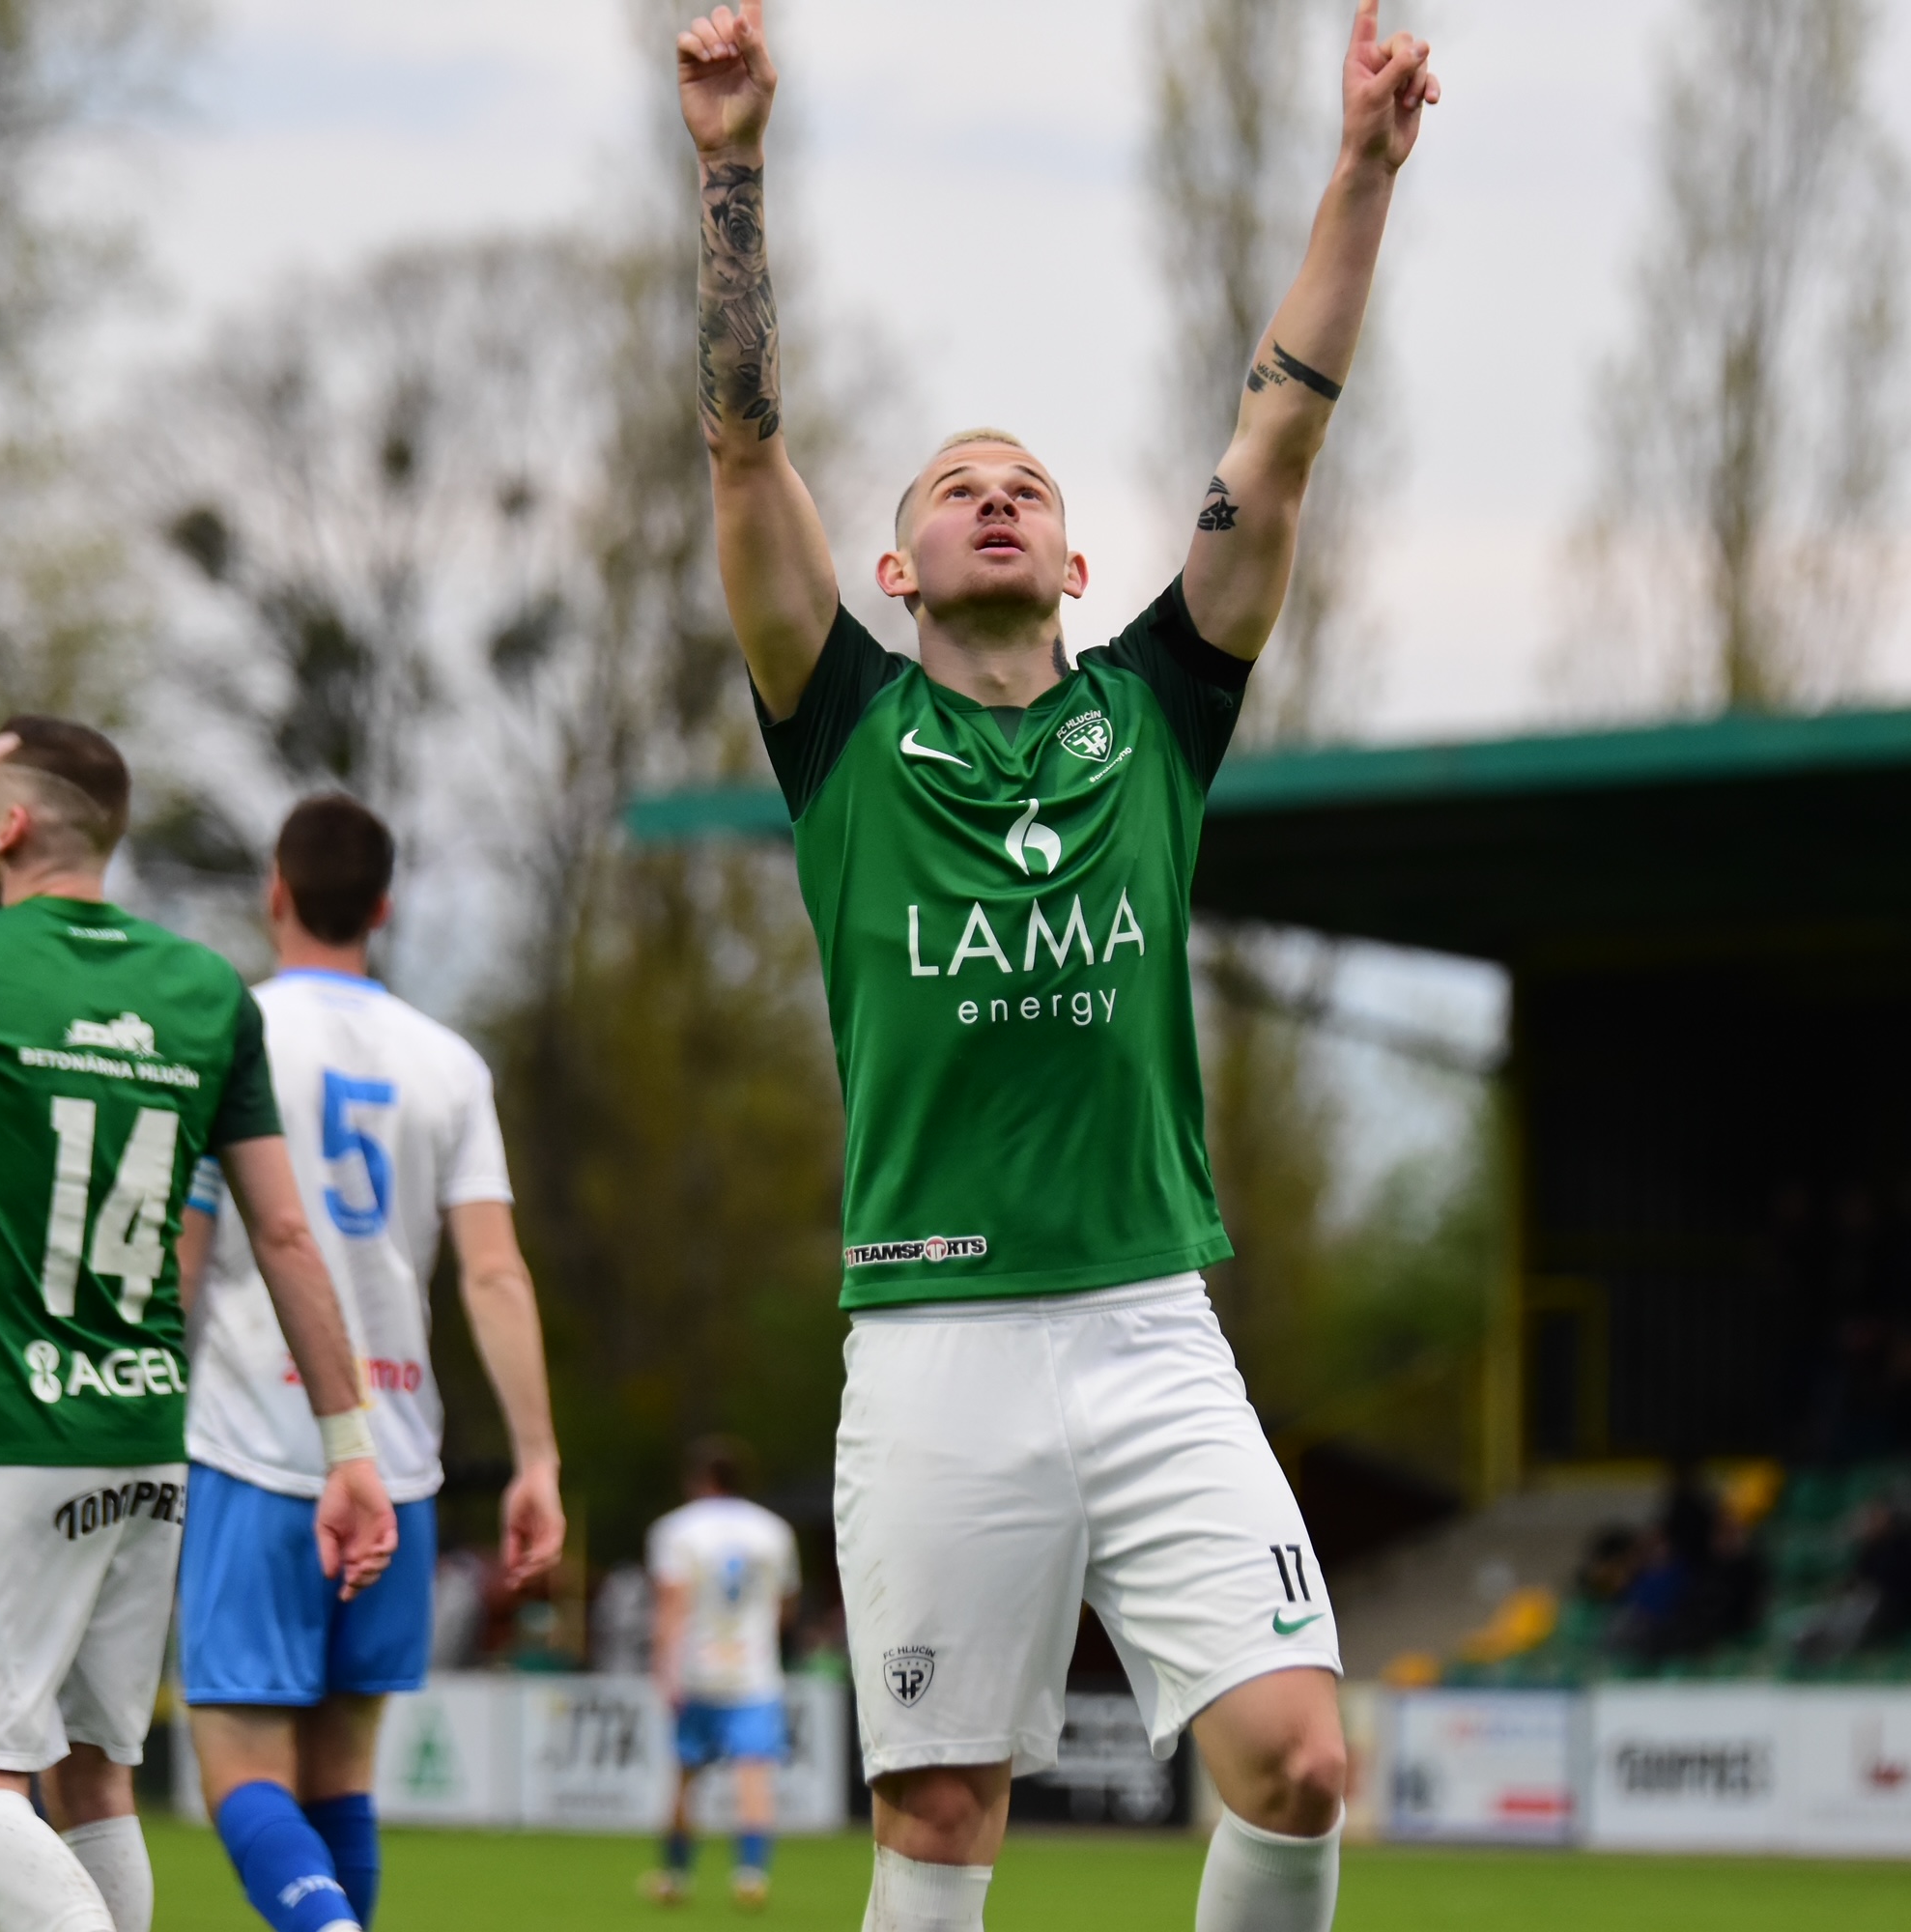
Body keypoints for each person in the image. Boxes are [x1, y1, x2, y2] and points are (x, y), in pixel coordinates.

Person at [672, 7, 1437, 1930]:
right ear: (900, 571)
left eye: (1027, 483)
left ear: (1085, 568)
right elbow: (742, 441)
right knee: (941, 1820)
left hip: (1151, 1331)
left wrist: (1359, 172)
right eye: (953, 488)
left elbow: (1281, 435)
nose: (994, 493)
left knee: (1301, 1759)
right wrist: (731, 167)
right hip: (936, 1342)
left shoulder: (1157, 714)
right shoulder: (837, 725)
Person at [0, 717, 398, 1932]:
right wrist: (349, 1448)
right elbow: (287, 1237)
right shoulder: (207, 989)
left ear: (8, 826)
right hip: (148, 1440)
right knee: (97, 1771)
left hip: (1, 1432)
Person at [174, 793, 567, 1932]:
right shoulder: (448, 1063)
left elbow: (188, 1258)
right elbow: (494, 1273)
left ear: (275, 891)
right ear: (385, 907)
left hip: (256, 1444)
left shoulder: (230, 1030)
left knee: (240, 1766)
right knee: (342, 1770)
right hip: (398, 1458)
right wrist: (536, 1455)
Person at [642, 1439, 800, 1909]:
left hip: (697, 1669)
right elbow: (784, 1604)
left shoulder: (676, 1530)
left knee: (685, 1776)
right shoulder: (774, 1531)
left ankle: (674, 1876)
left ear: (697, 1480)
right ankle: (750, 1876)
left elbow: (672, 1604)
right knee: (753, 1775)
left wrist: (663, 1667)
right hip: (754, 1671)